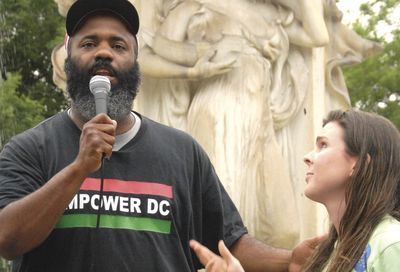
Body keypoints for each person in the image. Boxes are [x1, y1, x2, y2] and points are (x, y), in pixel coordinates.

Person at [0, 0, 321, 271]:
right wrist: (78, 169)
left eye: (118, 45)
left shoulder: (183, 152)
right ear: (68, 59)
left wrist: (289, 260)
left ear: (135, 61)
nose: (104, 53)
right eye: (88, 43)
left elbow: (230, 242)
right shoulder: (31, 148)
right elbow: (8, 239)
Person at [191, 109, 400, 271]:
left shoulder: (391, 244)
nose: (307, 157)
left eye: (323, 145)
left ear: (360, 164)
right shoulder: (333, 253)